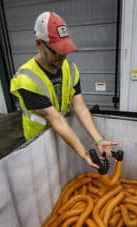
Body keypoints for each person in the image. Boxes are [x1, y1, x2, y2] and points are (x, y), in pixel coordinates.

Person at [10, 11, 117, 169]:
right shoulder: (27, 80)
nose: (62, 56)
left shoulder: (70, 69)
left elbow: (79, 106)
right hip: (39, 143)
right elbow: (56, 119)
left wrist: (98, 140)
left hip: (64, 136)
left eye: (65, 50)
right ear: (39, 44)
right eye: (56, 51)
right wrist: (84, 153)